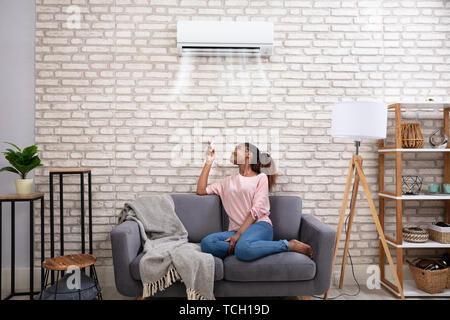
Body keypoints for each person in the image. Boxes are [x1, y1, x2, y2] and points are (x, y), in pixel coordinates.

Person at [196, 141, 313, 262]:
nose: (234, 151)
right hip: (235, 230)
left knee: (243, 248)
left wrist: (238, 235)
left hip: (260, 226)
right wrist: (209, 161)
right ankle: (248, 247)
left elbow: (256, 210)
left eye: (238, 148)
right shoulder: (227, 182)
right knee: (207, 243)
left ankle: (288, 245)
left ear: (248, 154)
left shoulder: (260, 178)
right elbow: (201, 190)